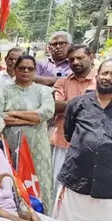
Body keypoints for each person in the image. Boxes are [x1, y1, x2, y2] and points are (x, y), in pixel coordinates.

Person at [55, 59, 112, 221]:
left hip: (108, 174)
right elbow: (69, 133)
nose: (108, 78)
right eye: (105, 73)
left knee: (101, 218)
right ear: (97, 75)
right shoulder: (78, 103)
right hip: (78, 171)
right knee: (74, 215)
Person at [0, 55, 56, 214]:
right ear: (15, 69)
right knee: (9, 180)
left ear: (35, 71)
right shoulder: (3, 91)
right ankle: (13, 217)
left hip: (37, 149)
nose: (26, 71)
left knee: (39, 182)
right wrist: (30, 119)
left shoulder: (44, 91)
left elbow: (44, 114)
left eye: (30, 68)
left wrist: (12, 113)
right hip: (10, 147)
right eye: (22, 68)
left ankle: (42, 217)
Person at [51, 44, 95, 197]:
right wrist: (89, 102)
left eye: (80, 58)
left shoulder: (102, 80)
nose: (75, 62)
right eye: (71, 60)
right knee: (59, 187)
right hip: (64, 142)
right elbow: (56, 106)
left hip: (93, 145)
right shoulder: (62, 82)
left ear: (91, 57)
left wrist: (70, 104)